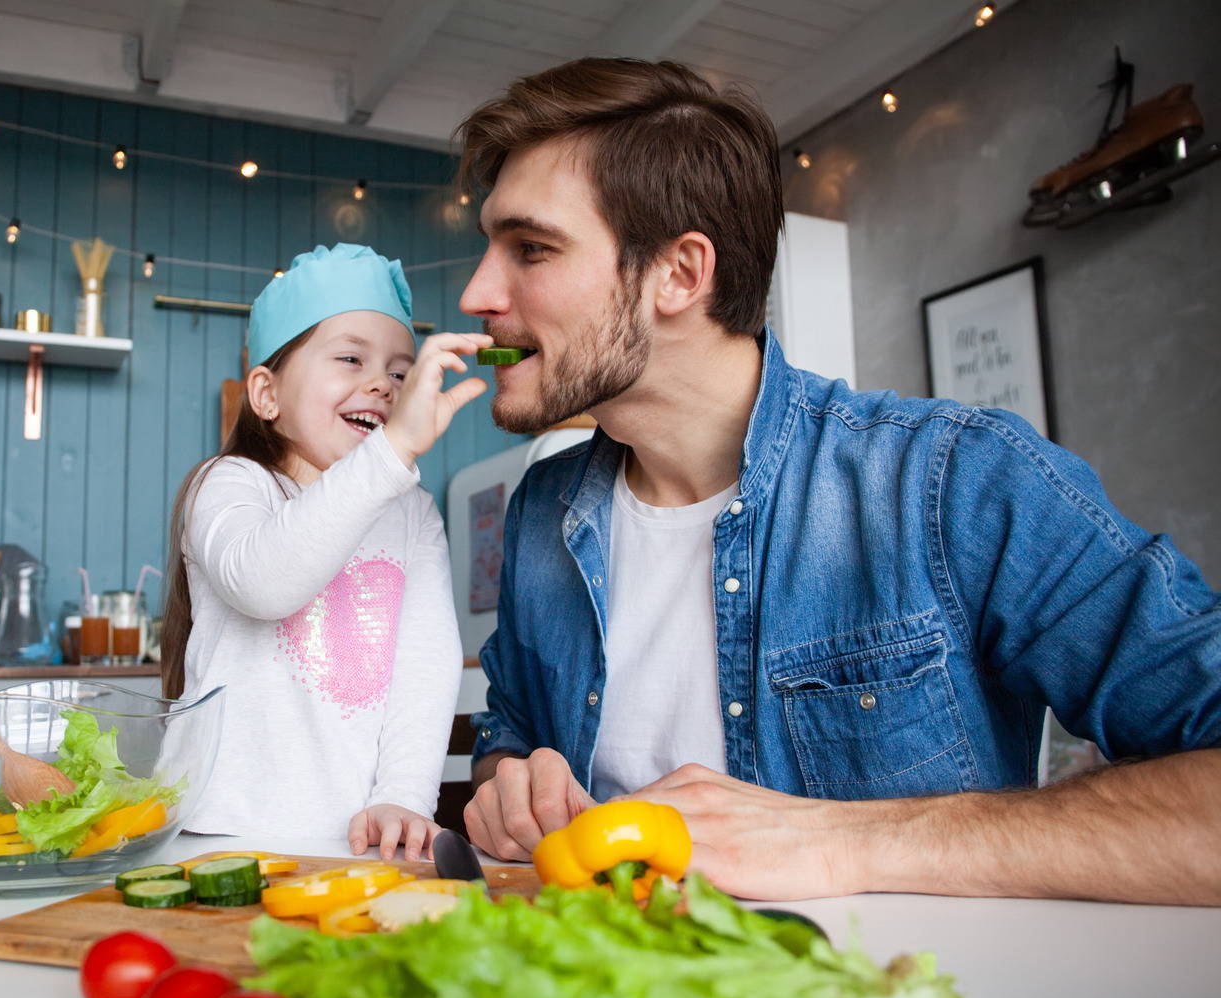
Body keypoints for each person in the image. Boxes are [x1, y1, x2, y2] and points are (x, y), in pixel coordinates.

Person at [455, 58, 1221, 905]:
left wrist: (845, 840)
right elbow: (512, 729)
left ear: (680, 273)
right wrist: (509, 776)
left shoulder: (957, 481)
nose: (476, 291)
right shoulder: (540, 511)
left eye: (531, 248)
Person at [161, 243, 491, 860]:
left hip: (357, 841)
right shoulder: (229, 483)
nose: (382, 385)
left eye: (400, 371)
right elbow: (264, 583)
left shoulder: (412, 512)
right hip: (216, 831)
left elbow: (424, 668)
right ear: (266, 394)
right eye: (349, 358)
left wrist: (405, 797)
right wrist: (391, 453)